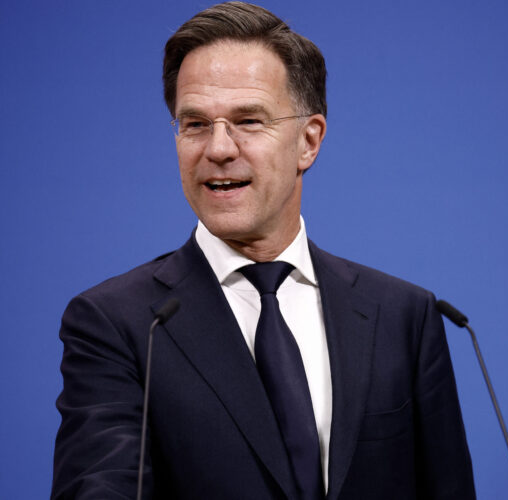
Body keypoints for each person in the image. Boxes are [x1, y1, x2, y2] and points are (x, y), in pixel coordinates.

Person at [51, 2, 475, 499]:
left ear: (308, 142)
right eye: (194, 124)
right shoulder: (120, 323)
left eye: (248, 121)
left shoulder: (404, 315)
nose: (219, 148)